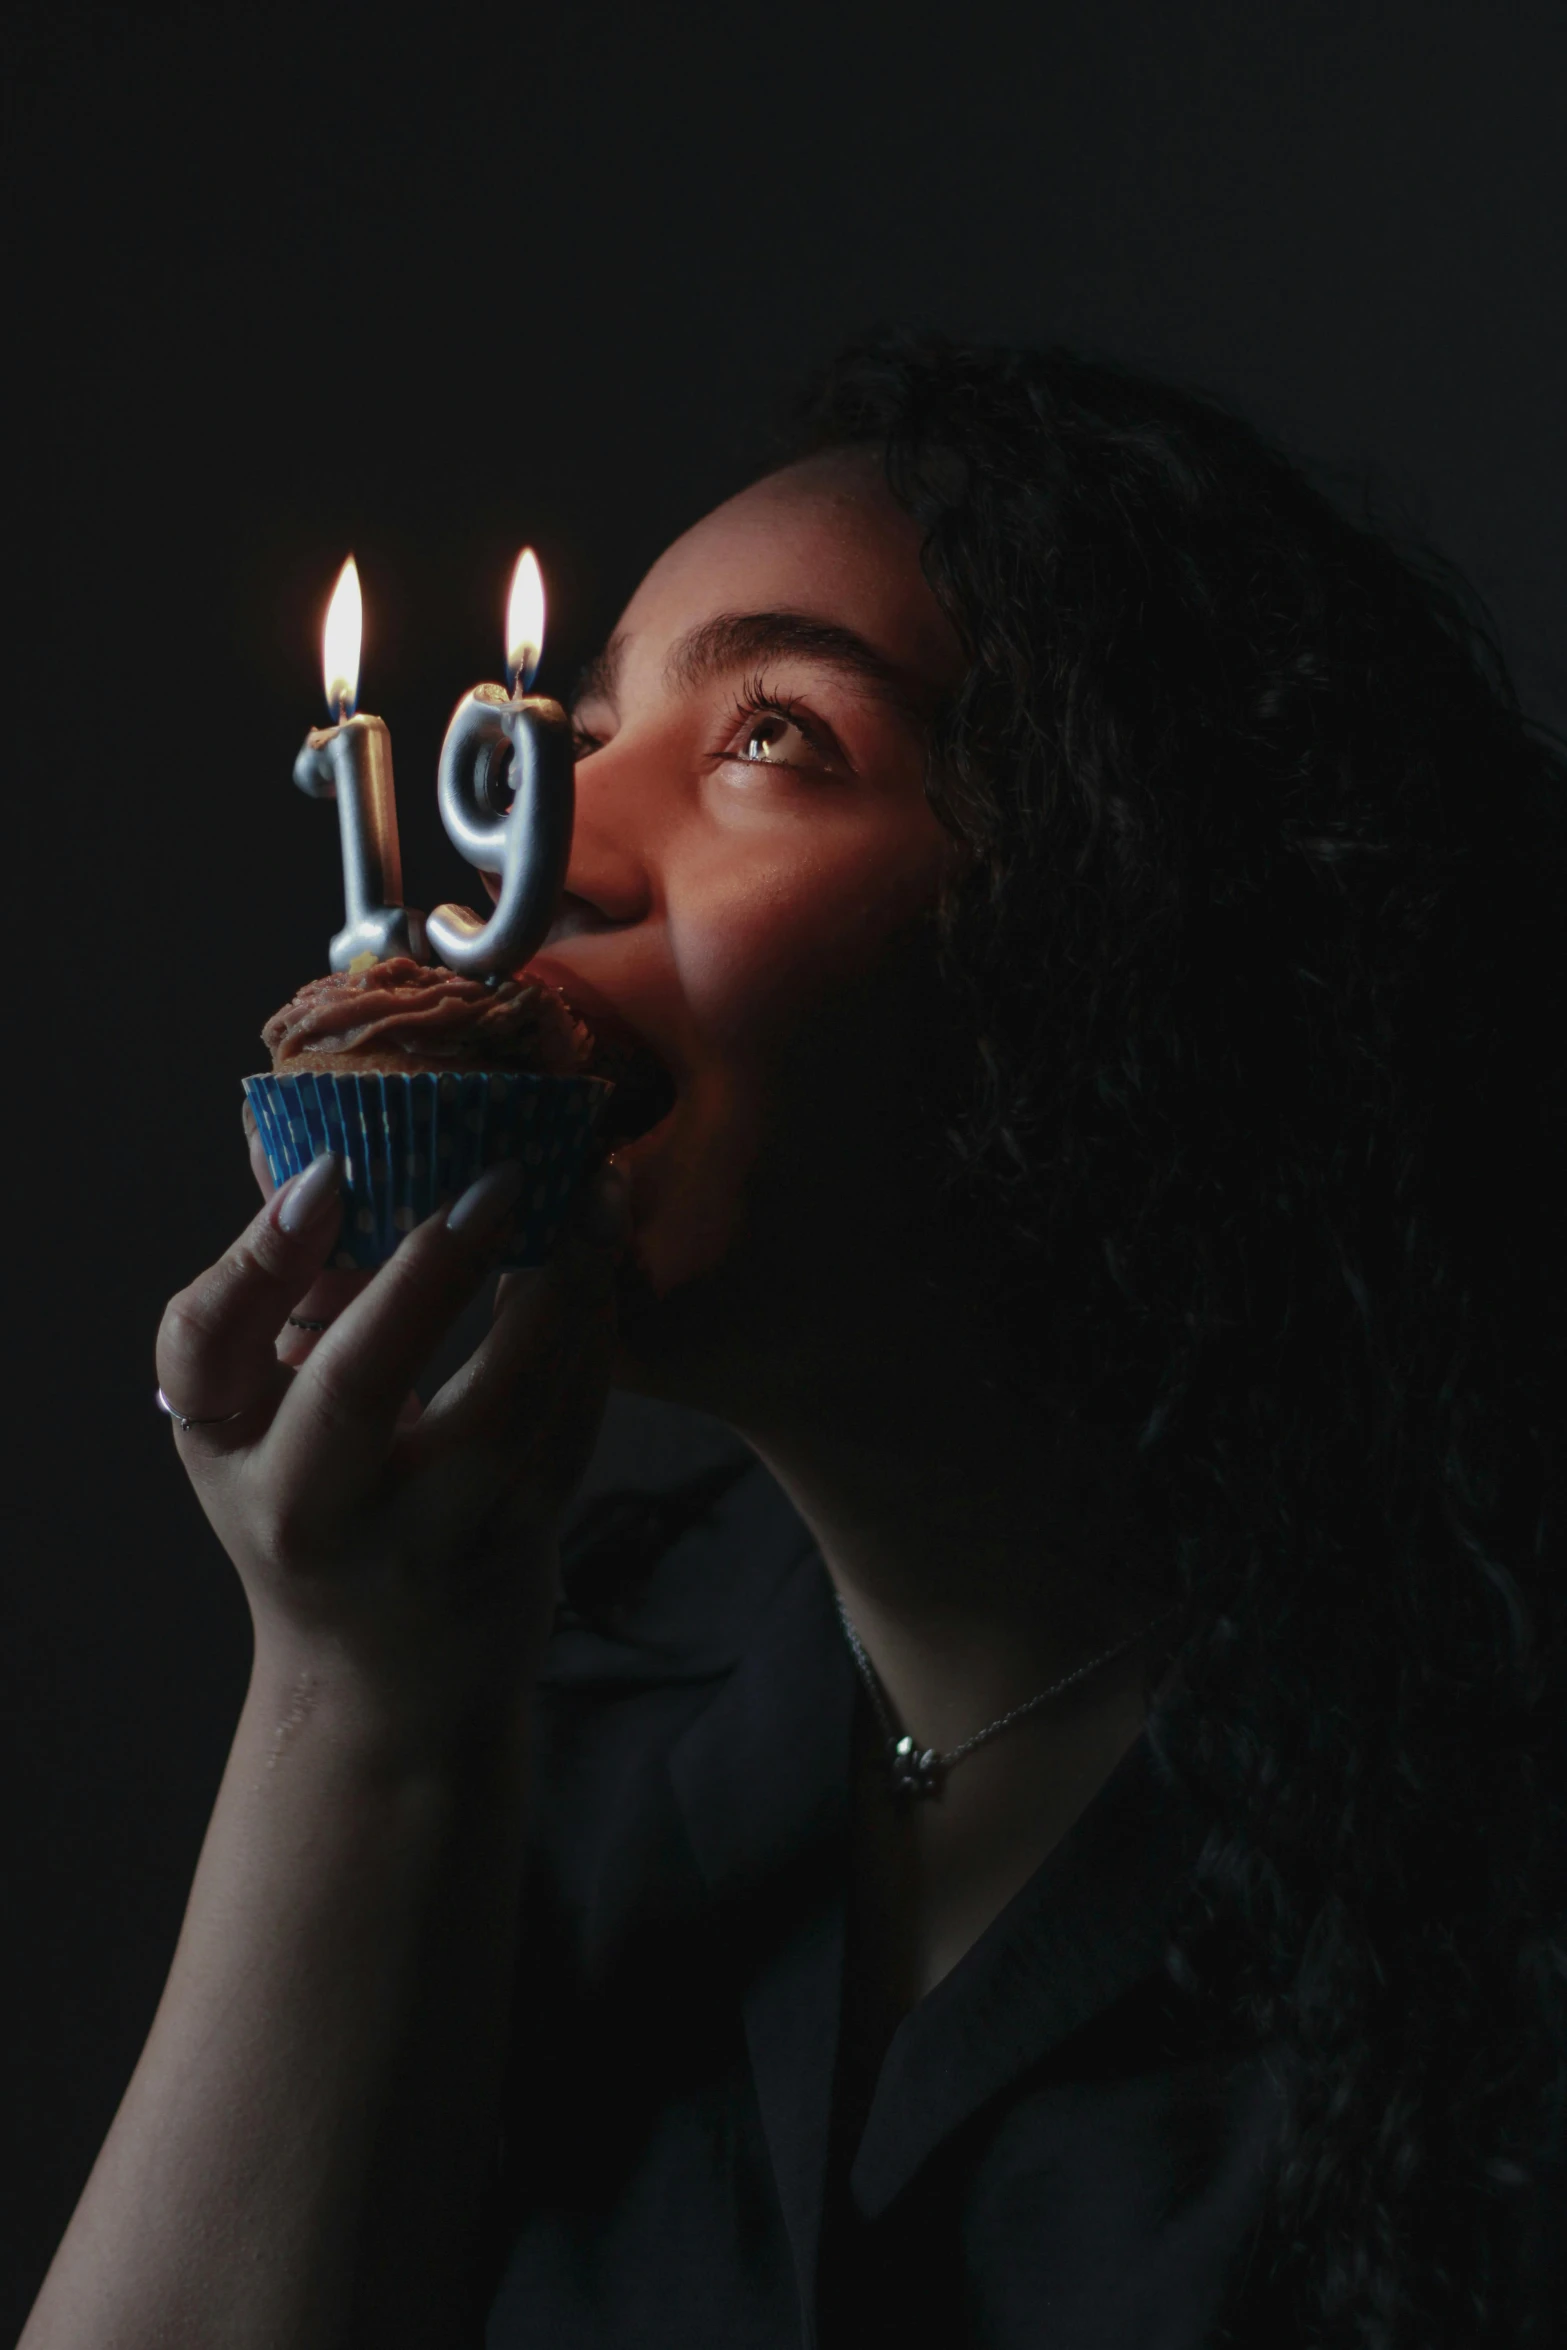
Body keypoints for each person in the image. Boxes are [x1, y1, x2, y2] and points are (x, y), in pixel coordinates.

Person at [22, 335, 1567, 2349]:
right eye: (565, 732)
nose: (530, 853)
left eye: (771, 737)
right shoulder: (528, 1721)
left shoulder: (1490, 1840)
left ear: (1140, 932)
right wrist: (358, 1700)